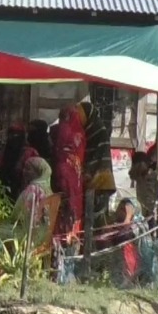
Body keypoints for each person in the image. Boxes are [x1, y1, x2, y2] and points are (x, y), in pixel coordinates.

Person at [52, 103, 88, 242]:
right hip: (76, 176)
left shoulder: (61, 129)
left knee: (62, 215)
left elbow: (57, 150)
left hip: (63, 174)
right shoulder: (80, 134)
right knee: (74, 208)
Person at [14, 156, 53, 242]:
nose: (24, 171)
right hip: (44, 236)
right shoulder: (49, 191)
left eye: (28, 169)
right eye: (24, 168)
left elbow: (18, 215)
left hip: (28, 237)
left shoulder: (32, 190)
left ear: (38, 172)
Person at [0, 123, 29, 200]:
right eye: (11, 135)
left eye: (16, 135)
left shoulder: (28, 153)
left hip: (23, 191)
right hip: (6, 187)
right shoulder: (4, 151)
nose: (12, 138)